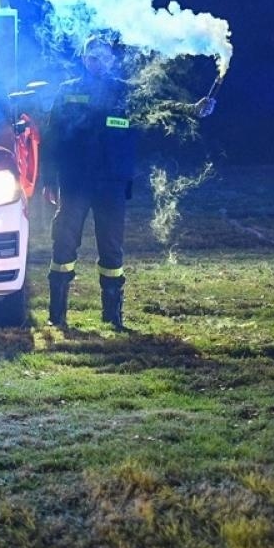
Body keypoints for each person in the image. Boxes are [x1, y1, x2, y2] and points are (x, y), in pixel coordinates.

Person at [44, 34, 214, 330]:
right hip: (75, 182)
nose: (99, 62)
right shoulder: (68, 91)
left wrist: (192, 109)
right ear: (84, 59)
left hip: (112, 183)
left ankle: (113, 317)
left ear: (112, 60)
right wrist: (48, 179)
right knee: (64, 244)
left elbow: (162, 106)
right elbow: (52, 138)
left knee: (112, 248)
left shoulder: (128, 93)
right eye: (93, 57)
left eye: (104, 57)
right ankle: (56, 316)